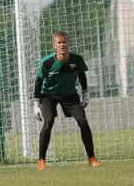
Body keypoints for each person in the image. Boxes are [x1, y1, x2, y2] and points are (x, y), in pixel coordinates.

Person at [33, 30, 100, 170]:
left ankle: (91, 157)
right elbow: (38, 81)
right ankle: (41, 160)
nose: (62, 45)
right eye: (59, 43)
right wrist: (36, 103)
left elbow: (81, 75)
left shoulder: (77, 60)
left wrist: (85, 93)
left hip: (69, 94)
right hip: (48, 95)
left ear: (69, 43)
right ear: (54, 46)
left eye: (64, 42)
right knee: (49, 120)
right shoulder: (47, 62)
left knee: (83, 121)